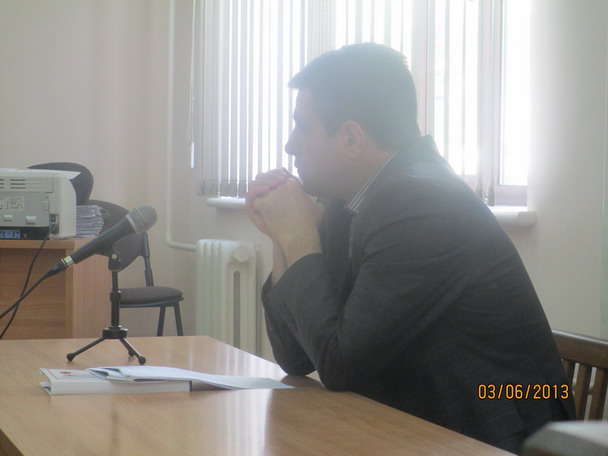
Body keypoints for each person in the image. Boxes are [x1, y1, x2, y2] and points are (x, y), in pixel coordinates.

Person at [246, 43, 574, 453]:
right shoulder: (353, 199)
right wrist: (283, 233)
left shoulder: (418, 202)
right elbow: (297, 357)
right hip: (421, 422)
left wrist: (298, 237)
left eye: (301, 126)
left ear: (351, 138)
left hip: (498, 433)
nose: (289, 146)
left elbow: (338, 365)